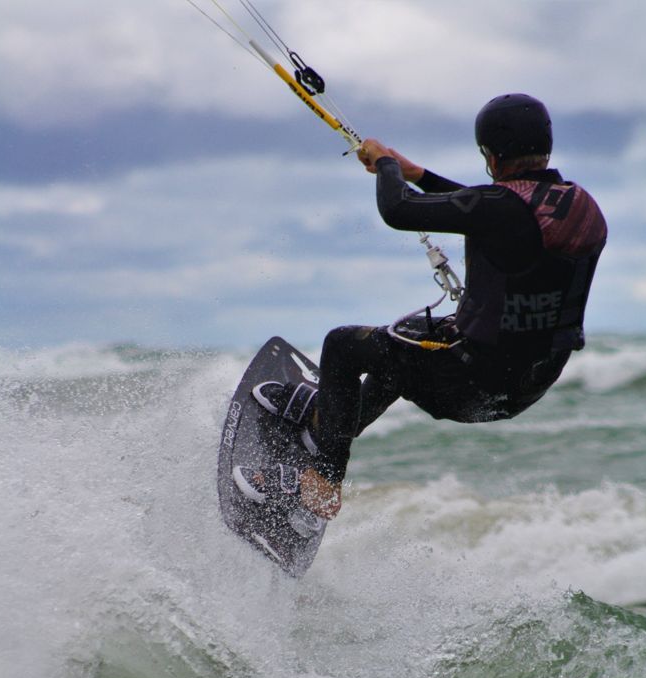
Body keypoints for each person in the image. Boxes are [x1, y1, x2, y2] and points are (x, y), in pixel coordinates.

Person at [234, 93, 607, 521]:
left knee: (344, 345)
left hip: (470, 384)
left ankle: (322, 480)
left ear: (491, 155)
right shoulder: (580, 206)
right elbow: (492, 209)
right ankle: (327, 422)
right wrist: (417, 173)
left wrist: (386, 165)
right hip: (527, 385)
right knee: (404, 344)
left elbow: (400, 209)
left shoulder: (502, 210)